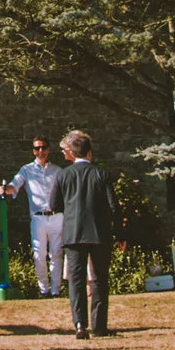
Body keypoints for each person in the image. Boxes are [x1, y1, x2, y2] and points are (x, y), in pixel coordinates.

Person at [48, 130, 120, 338]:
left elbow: (54, 204)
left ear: (74, 153)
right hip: (99, 233)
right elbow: (113, 206)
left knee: (76, 280)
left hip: (73, 233)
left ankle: (79, 324)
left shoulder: (63, 175)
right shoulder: (101, 174)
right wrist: (120, 233)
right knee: (99, 280)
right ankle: (99, 326)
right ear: (90, 153)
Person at [0, 137, 66, 299]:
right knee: (39, 254)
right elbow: (14, 186)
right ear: (33, 151)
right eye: (37, 149)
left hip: (56, 216)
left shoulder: (58, 171)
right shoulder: (26, 170)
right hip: (38, 217)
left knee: (56, 254)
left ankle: (56, 290)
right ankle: (44, 290)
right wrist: (4, 189)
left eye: (43, 148)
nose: (40, 152)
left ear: (49, 149)